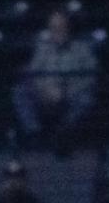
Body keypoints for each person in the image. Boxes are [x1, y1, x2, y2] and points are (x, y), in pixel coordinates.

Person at [14, 8, 97, 146]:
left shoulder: (82, 49)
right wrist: (46, 89)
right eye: (53, 27)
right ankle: (34, 133)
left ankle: (65, 134)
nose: (57, 31)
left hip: (72, 93)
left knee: (86, 98)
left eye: (60, 27)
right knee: (20, 92)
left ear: (68, 28)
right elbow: (34, 74)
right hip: (46, 93)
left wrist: (65, 92)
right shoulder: (42, 48)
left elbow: (89, 77)